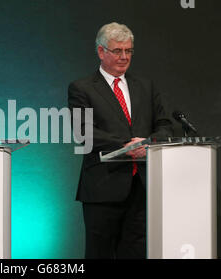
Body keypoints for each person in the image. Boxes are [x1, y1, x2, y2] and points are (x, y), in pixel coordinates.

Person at [68, 22, 173, 259]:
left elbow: (165, 125)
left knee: (136, 251)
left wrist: (149, 143)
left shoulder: (145, 86)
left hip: (142, 186)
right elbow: (83, 131)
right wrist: (128, 145)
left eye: (128, 51)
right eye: (117, 51)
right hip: (103, 187)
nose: (124, 57)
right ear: (101, 51)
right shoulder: (82, 88)